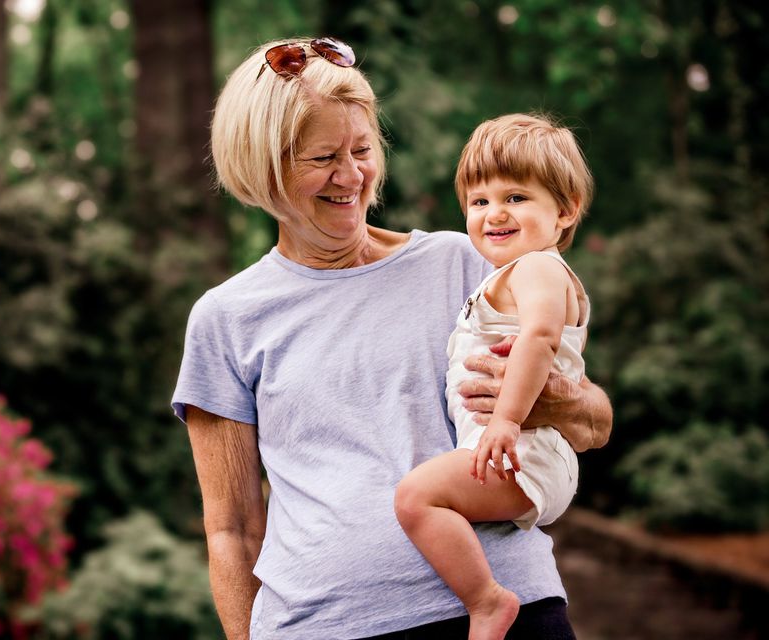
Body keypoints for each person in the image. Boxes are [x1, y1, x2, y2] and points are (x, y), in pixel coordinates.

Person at [171, 38, 611, 640]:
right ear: (263, 167)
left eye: (361, 149)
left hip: (506, 612)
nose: (351, 175)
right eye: (323, 157)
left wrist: (553, 400)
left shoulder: (471, 262)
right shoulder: (225, 318)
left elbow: (596, 423)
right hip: (319, 626)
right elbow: (232, 530)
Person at [394, 113, 595, 640]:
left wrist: (506, 419)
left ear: (565, 210)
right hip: (522, 448)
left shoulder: (536, 269)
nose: (494, 213)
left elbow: (541, 340)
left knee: (416, 498)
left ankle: (486, 602)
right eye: (480, 202)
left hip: (520, 447)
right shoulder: (518, 274)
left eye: (516, 198)